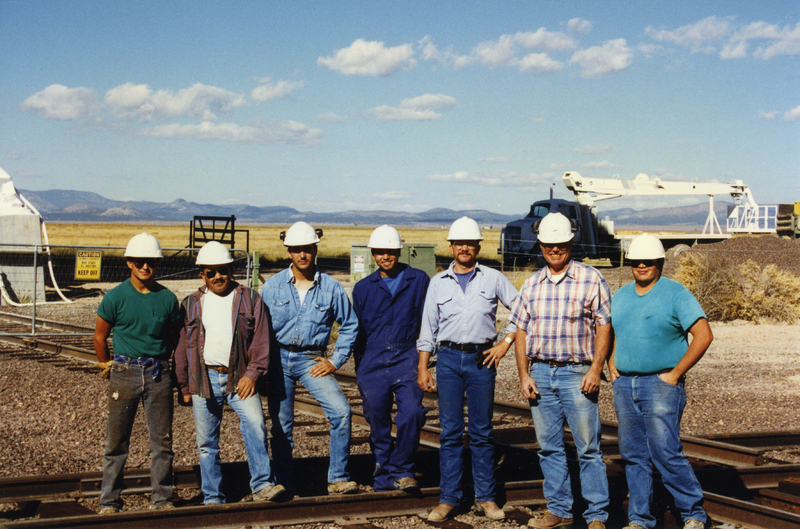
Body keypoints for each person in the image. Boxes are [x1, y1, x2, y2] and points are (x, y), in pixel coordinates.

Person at [509, 212, 611, 529]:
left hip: (577, 374)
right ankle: (559, 510)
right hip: (540, 373)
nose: (555, 250)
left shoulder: (591, 279)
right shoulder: (531, 284)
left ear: (570, 243)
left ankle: (596, 515)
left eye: (561, 244)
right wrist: (524, 374)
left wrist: (595, 369)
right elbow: (521, 332)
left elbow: (604, 327)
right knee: (549, 447)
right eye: (549, 245)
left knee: (588, 448)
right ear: (541, 246)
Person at [608, 233, 713, 529]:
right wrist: (612, 363)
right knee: (633, 454)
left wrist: (675, 374)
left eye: (649, 261)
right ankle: (640, 519)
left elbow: (703, 336)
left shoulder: (676, 293)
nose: (642, 266)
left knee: (665, 451)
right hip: (625, 385)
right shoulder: (622, 295)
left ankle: (693, 514)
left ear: (659, 263)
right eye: (636, 261)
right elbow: (618, 332)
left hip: (661, 385)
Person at [417, 216, 518, 522]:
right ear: (451, 247)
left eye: (469, 243)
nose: (464, 248)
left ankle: (486, 498)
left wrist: (506, 342)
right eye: (459, 243)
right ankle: (448, 499)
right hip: (447, 360)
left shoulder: (493, 278)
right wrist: (423, 367)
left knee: (482, 432)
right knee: (449, 432)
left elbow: (524, 309)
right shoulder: (438, 283)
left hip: (481, 360)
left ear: (477, 246)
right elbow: (427, 329)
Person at [174, 242, 285, 505]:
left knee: (256, 427)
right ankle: (213, 497)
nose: (217, 276)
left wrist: (252, 374)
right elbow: (182, 347)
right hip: (204, 379)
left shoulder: (250, 298)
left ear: (230, 270)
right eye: (210, 272)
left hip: (240, 378)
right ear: (202, 273)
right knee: (206, 442)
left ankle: (262, 486)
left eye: (222, 270)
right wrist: (183, 384)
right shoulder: (191, 303)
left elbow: (261, 340)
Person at [261, 221, 360, 495]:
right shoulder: (272, 287)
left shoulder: (331, 288)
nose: (302, 255)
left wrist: (335, 360)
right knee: (282, 425)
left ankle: (338, 478)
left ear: (315, 250)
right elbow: (258, 329)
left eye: (307, 249)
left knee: (341, 412)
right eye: (296, 250)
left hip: (311, 360)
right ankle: (283, 481)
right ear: (288, 252)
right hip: (278, 360)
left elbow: (350, 324)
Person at [93, 233, 181, 514]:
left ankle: (163, 498)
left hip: (158, 373)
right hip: (124, 371)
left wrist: (164, 362)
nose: (146, 266)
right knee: (116, 441)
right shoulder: (116, 297)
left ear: (157, 264)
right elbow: (99, 336)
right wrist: (108, 365)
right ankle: (109, 501)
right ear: (129, 262)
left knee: (162, 441)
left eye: (151, 261)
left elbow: (174, 337)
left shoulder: (167, 299)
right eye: (140, 261)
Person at [351, 225, 429, 492]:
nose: (386, 256)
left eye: (391, 251)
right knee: (378, 418)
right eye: (380, 252)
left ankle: (403, 470)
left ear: (399, 251)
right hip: (372, 359)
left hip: (407, 356)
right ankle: (384, 474)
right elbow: (357, 331)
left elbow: (428, 322)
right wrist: (360, 369)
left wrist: (426, 359)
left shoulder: (418, 280)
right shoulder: (362, 289)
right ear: (373, 254)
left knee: (413, 413)